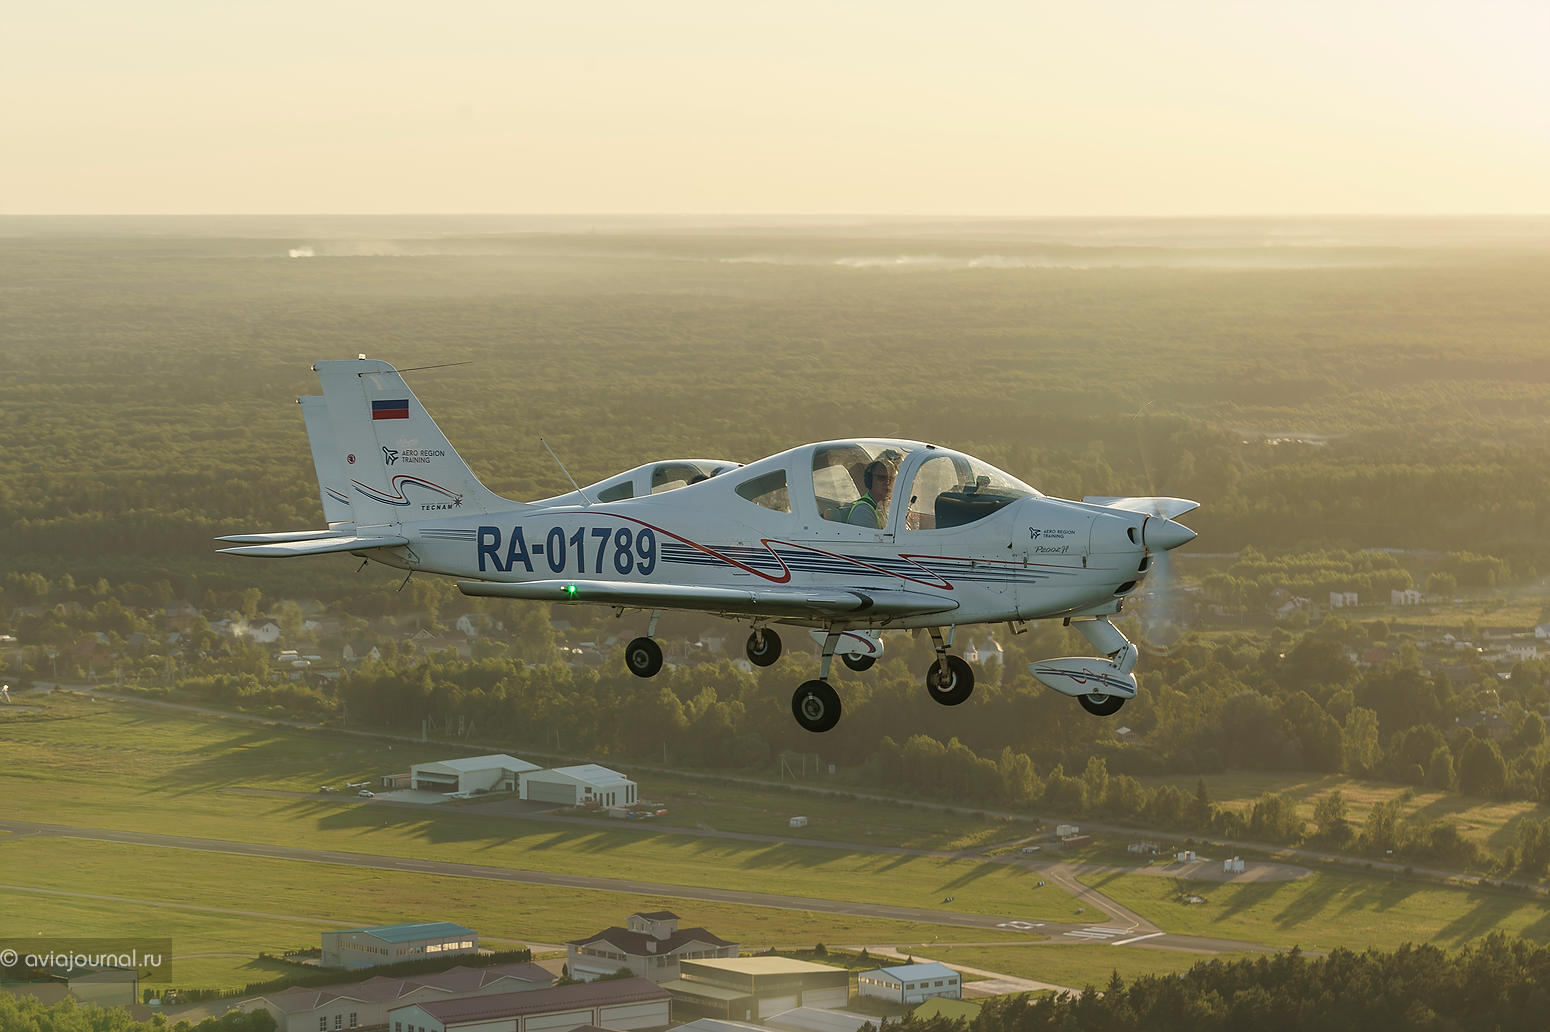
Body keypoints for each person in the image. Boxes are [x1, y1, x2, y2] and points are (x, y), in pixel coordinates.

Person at [844, 460, 895, 528]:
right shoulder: (863, 511)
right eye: (881, 478)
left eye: (889, 479)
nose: (887, 483)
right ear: (870, 480)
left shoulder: (880, 507)